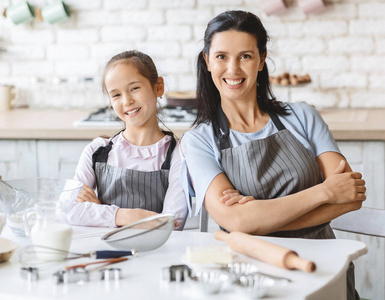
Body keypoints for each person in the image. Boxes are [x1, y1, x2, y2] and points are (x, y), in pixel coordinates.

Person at [179, 10, 365, 299]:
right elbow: (236, 222)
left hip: (326, 266)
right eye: (221, 57)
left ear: (262, 60)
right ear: (207, 61)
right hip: (250, 275)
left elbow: (350, 196)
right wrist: (323, 192)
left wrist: (257, 219)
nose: (233, 69)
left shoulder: (303, 116)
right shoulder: (198, 141)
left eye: (245, 56)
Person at [67, 50, 188, 230]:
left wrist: (99, 212)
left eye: (134, 88)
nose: (127, 101)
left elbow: (172, 223)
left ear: (158, 87)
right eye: (116, 95)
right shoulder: (97, 151)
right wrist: (129, 216)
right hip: (104, 251)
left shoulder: (178, 154)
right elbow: (69, 209)